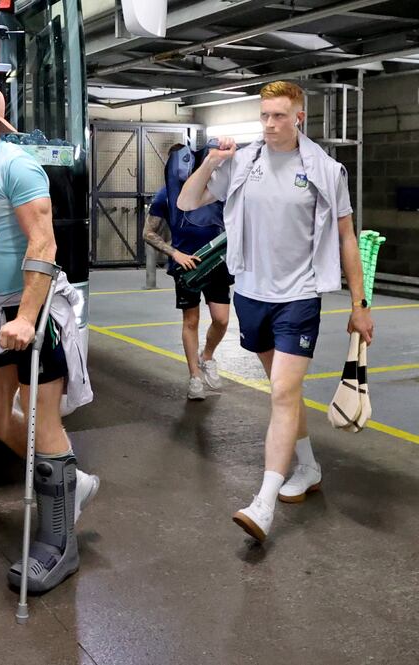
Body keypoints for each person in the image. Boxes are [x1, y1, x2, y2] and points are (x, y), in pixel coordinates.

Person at [177, 81, 374, 542]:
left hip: (299, 296)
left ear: (299, 117)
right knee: (283, 391)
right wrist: (211, 161)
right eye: (264, 115)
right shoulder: (244, 161)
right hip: (250, 293)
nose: (269, 124)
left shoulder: (325, 169)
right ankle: (307, 467)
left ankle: (263, 502)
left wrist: (359, 304)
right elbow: (187, 201)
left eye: (279, 116)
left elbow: (347, 238)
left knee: (283, 392)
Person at [0, 80, 97, 593]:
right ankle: (71, 482)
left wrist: (28, 317)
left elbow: (44, 241)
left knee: (40, 419)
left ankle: (59, 546)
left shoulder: (18, 167)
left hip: (37, 309)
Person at [143, 143, 231, 400]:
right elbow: (148, 232)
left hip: (216, 262)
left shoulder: (216, 192)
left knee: (222, 319)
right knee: (190, 321)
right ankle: (194, 376)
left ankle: (207, 357)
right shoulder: (165, 196)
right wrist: (174, 253)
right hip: (186, 265)